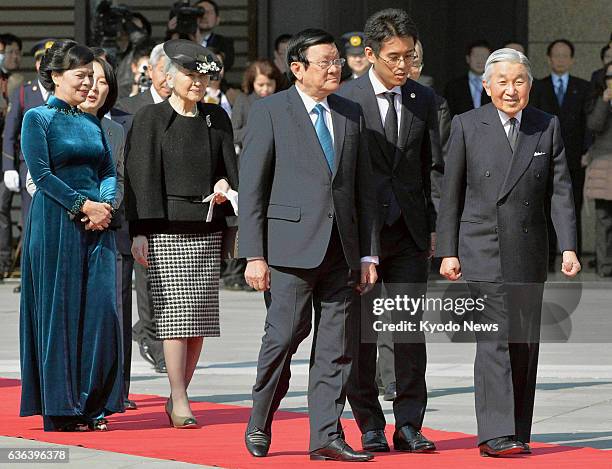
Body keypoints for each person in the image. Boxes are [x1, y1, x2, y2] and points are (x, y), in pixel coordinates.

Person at [240, 28, 377, 462]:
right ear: (296, 69)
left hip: (342, 251)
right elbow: (253, 187)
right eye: (325, 61)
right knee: (283, 338)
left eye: (337, 60)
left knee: (337, 349)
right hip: (289, 249)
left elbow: (363, 190)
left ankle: (325, 437)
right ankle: (260, 419)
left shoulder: (351, 113)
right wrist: (254, 254)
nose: (335, 67)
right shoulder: (270, 112)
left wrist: (368, 253)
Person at [437, 48, 581, 457]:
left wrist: (568, 245)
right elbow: (451, 194)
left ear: (529, 86)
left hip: (528, 248)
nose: (511, 90)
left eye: (518, 82)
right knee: (494, 338)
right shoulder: (467, 125)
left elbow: (561, 191)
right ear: (486, 85)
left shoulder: (545, 126)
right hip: (481, 245)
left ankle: (517, 429)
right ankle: (495, 433)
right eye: (502, 82)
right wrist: (448, 250)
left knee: (523, 342)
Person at [339, 8, 441, 454]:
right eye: (395, 57)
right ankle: (368, 423)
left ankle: (410, 423)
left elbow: (430, 168)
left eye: (410, 57)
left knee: (408, 331)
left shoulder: (424, 99)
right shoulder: (346, 98)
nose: (404, 66)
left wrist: (435, 228)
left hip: (410, 231)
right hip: (363, 231)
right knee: (361, 331)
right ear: (372, 53)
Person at [125, 39, 238, 428]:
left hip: (206, 226)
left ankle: (179, 392)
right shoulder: (151, 119)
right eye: (189, 76)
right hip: (165, 230)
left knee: (200, 319)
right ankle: (179, 396)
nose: (196, 83)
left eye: (202, 77)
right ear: (169, 79)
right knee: (177, 317)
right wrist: (140, 231)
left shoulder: (216, 117)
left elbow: (228, 168)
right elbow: (141, 178)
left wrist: (224, 186)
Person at [19, 40, 123, 432]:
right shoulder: (37, 119)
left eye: (92, 77)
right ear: (57, 76)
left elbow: (108, 170)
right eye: (80, 76)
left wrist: (106, 206)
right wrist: (84, 205)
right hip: (56, 225)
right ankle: (61, 409)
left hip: (98, 227)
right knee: (59, 313)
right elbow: (42, 176)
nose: (88, 84)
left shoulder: (92, 121)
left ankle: (91, 402)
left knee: (101, 313)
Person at [114, 42, 171, 375]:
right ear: (150, 71)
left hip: (176, 209)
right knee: (146, 278)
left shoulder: (189, 109)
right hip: (137, 208)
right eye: (164, 70)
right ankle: (151, 337)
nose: (169, 78)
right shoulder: (127, 109)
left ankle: (154, 335)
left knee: (169, 283)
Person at [530, 38, 591, 264]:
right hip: (544, 156)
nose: (561, 59)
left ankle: (573, 256)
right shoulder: (538, 86)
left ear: (572, 59)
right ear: (548, 58)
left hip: (575, 157)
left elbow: (588, 124)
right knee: (544, 206)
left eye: (565, 55)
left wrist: (587, 150)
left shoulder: (583, 87)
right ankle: (546, 258)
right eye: (556, 55)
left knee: (573, 205)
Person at [2, 39, 52, 278]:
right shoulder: (24, 92)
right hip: (28, 166)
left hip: (58, 166)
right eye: (42, 60)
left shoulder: (62, 93)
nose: (46, 65)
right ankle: (31, 275)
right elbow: (10, 133)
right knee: (30, 220)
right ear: (36, 63)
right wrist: (8, 166)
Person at [584, 61, 612, 277]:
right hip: (604, 165)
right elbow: (594, 125)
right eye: (610, 78)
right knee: (603, 218)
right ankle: (605, 266)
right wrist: (604, 101)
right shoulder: (598, 99)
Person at [232, 59, 281, 150]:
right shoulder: (243, 100)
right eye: (261, 85)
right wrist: (255, 131)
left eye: (269, 84)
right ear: (252, 82)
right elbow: (233, 133)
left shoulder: (281, 100)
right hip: (250, 153)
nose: (265, 89)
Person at [444, 40, 492, 116]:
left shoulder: (496, 85)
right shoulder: (453, 86)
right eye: (476, 56)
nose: (480, 60)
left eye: (484, 56)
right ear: (468, 58)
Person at [195, 0, 235, 72]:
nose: (204, 16)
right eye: (200, 12)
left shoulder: (224, 43)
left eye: (209, 12)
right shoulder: (181, 39)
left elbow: (223, 66)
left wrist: (199, 43)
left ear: (217, 20)